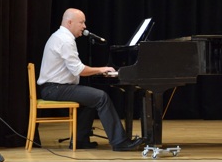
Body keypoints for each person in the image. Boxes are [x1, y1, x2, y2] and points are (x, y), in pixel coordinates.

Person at [37, 8, 143, 151]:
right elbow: (79, 70)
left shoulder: (60, 37)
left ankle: (80, 140)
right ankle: (120, 142)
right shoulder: (65, 40)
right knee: (101, 97)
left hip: (54, 88)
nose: (84, 26)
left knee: (92, 99)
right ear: (69, 22)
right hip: (54, 88)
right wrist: (101, 69)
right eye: (81, 22)